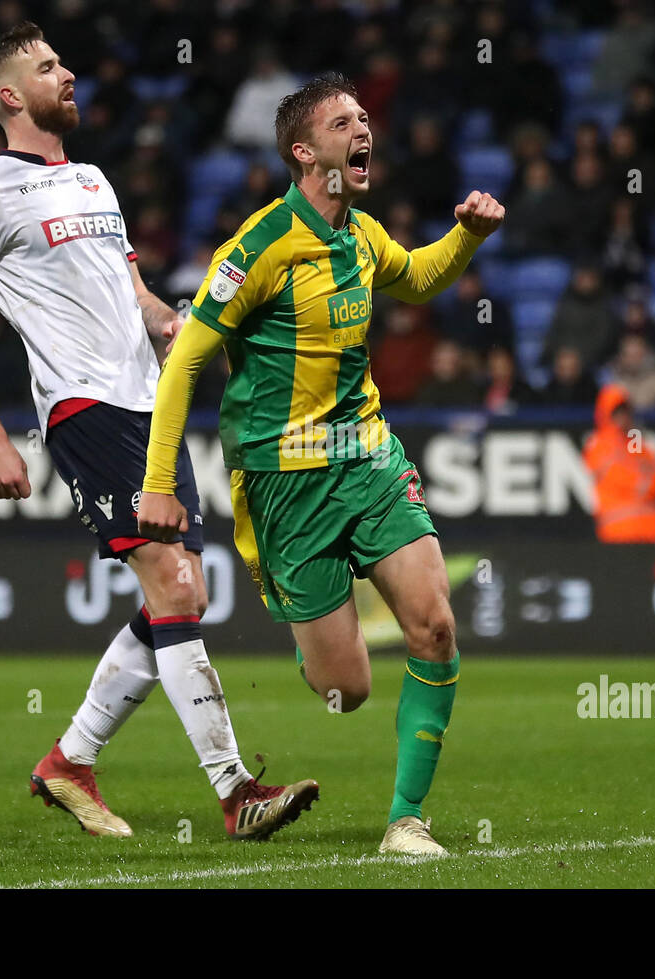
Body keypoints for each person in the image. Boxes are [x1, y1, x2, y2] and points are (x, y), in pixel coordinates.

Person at [0, 22, 316, 842]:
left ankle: (69, 760)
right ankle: (235, 789)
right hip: (83, 407)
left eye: (62, 62)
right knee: (177, 588)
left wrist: (176, 325)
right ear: (10, 97)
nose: (67, 74)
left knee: (183, 592)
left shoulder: (97, 180)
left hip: (153, 408)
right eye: (47, 68)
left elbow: (134, 296)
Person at [138, 73, 505, 857]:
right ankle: (318, 652)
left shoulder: (363, 234)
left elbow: (418, 275)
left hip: (367, 456)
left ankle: (406, 820)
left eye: (365, 117)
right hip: (283, 484)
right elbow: (185, 363)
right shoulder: (259, 246)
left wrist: (468, 235)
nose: (362, 127)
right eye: (344, 120)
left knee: (435, 626)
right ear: (305, 152)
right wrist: (157, 480)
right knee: (348, 690)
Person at [582, 384, 655, 543]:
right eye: (616, 412)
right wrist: (651, 481)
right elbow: (630, 480)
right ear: (606, 413)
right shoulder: (598, 442)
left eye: (624, 411)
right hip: (619, 528)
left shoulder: (634, 438)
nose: (621, 417)